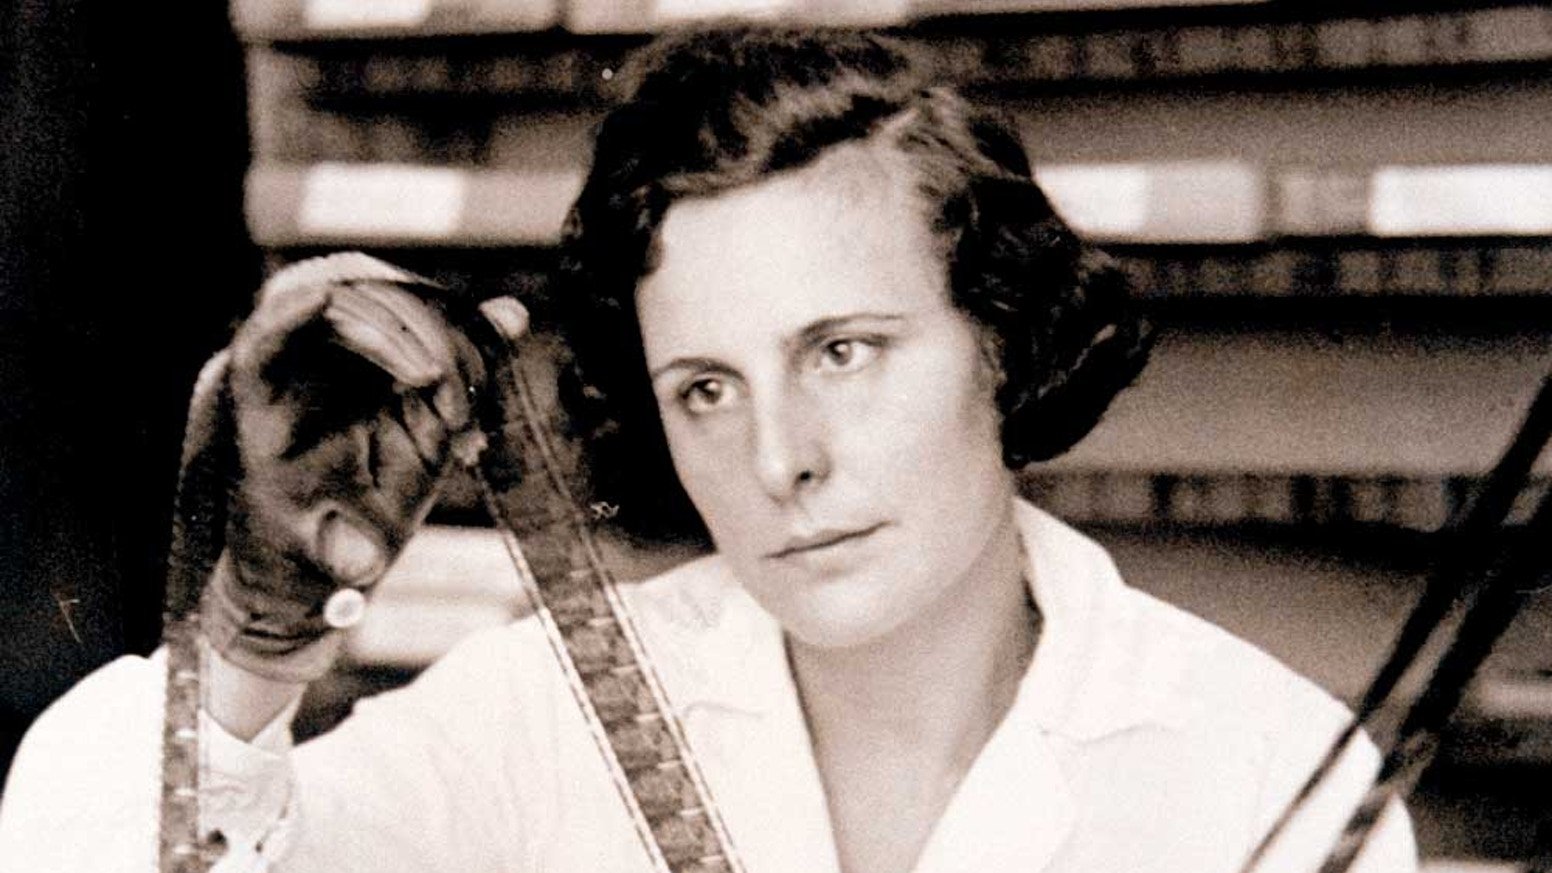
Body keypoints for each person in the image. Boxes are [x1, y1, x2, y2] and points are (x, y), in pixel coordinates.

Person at [0, 26, 1415, 873]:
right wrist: (252, 637)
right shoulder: (538, 720)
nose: (779, 458)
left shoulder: (1264, 765)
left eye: (842, 350)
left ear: (1002, 335)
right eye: (707, 389)